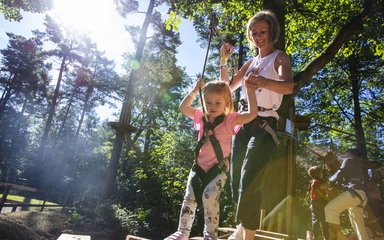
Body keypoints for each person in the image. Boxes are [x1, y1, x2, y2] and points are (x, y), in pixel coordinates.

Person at [219, 10, 294, 240]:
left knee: (249, 177)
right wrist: (223, 60)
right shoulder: (250, 62)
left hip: (265, 123)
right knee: (234, 182)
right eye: (254, 32)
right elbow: (226, 88)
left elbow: (288, 86)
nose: (258, 36)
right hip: (243, 122)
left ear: (271, 32)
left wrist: (263, 82)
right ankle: (245, 225)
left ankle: (247, 236)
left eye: (262, 31)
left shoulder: (280, 57)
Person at [164, 78, 257, 240]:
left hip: (217, 168)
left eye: (217, 103)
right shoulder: (201, 117)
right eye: (208, 102)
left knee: (209, 196)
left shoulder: (230, 119)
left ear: (227, 103)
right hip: (198, 167)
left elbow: (252, 114)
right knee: (190, 198)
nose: (212, 107)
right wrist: (194, 91)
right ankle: (182, 232)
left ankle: (210, 234)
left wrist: (250, 91)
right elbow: (183, 108)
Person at [324, 149, 370, 240]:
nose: (345, 155)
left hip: (355, 193)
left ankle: (339, 236)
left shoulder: (349, 160)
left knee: (329, 209)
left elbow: (339, 174)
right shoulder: (361, 164)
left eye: (347, 153)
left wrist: (328, 181)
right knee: (359, 227)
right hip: (362, 196)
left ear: (350, 154)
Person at [307, 166, 329, 240]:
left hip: (313, 202)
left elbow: (309, 191)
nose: (322, 173)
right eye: (321, 172)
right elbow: (324, 187)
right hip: (321, 202)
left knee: (315, 220)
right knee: (324, 220)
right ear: (319, 174)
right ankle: (326, 237)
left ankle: (315, 237)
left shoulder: (311, 182)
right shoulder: (319, 182)